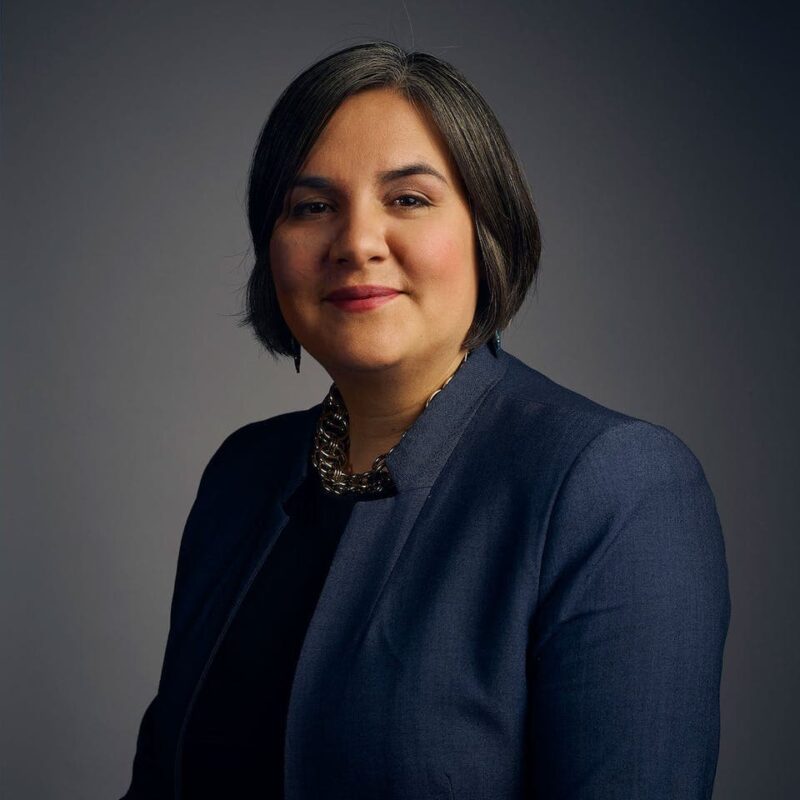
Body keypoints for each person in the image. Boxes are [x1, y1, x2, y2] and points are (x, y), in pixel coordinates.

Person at [120, 40, 731, 800]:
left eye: (408, 199)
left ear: (486, 229)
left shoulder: (614, 485)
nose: (355, 244)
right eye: (312, 207)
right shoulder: (242, 475)